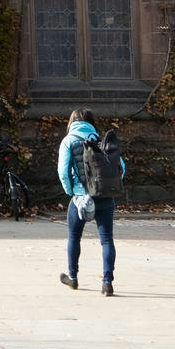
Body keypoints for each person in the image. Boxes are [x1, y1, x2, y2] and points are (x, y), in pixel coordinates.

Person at [57, 109, 123, 297]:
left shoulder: (68, 141)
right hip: (104, 196)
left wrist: (72, 191)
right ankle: (107, 283)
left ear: (72, 122)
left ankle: (73, 278)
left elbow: (63, 171)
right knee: (107, 239)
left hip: (81, 198)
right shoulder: (102, 141)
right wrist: (108, 187)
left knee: (74, 237)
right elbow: (121, 168)